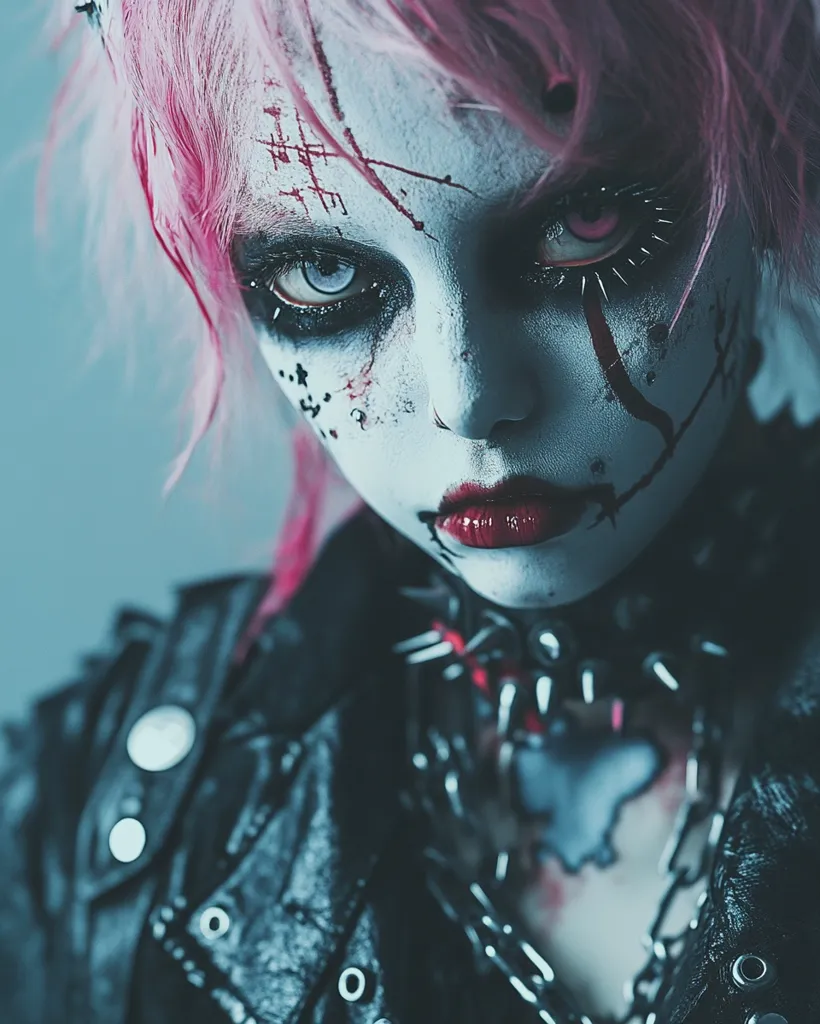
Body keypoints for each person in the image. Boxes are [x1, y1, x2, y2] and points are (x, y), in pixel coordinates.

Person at [3, 0, 820, 1021]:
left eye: (584, 226)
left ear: (767, 158)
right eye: (324, 272)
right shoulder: (97, 825)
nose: (467, 397)